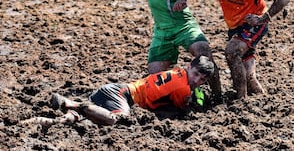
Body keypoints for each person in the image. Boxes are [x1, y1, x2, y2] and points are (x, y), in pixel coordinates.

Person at [184, 0, 291, 99]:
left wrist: (263, 19)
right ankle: (262, 100)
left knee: (232, 51)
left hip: (253, 23)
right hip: (234, 26)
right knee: (248, 77)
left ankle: (241, 100)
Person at [20, 56, 215, 127]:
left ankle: (34, 122)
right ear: (190, 66)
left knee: (77, 120)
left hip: (113, 90)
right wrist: (194, 102)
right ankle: (72, 103)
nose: (197, 80)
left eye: (202, 79)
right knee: (119, 120)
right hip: (122, 94)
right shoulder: (184, 88)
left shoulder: (178, 72)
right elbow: (182, 107)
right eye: (196, 74)